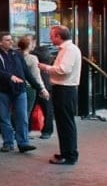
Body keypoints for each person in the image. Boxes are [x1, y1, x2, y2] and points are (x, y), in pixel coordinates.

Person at [39, 25, 82, 165]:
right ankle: (66, 152)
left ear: (59, 36)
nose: (50, 39)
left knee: (66, 123)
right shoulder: (66, 49)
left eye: (52, 36)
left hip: (65, 90)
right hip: (63, 89)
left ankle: (69, 155)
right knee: (63, 123)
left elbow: (64, 69)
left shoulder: (69, 50)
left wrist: (46, 67)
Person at [0, 32, 36, 154]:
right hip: (2, 91)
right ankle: (8, 143)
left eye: (11, 40)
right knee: (4, 117)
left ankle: (23, 143)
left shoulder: (17, 54)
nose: (11, 42)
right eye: (7, 40)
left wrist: (39, 88)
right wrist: (10, 76)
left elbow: (26, 72)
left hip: (19, 90)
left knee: (22, 117)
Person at [18, 35, 50, 133]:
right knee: (27, 111)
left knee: (19, 111)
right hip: (29, 87)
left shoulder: (15, 55)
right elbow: (36, 76)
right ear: (29, 45)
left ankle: (20, 132)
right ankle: (23, 134)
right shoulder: (32, 58)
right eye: (32, 43)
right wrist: (42, 89)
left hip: (17, 86)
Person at [30, 38, 55, 139]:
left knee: (47, 109)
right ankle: (28, 129)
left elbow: (44, 56)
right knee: (30, 109)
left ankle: (47, 130)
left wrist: (30, 51)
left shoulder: (41, 51)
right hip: (35, 83)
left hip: (43, 83)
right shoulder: (35, 52)